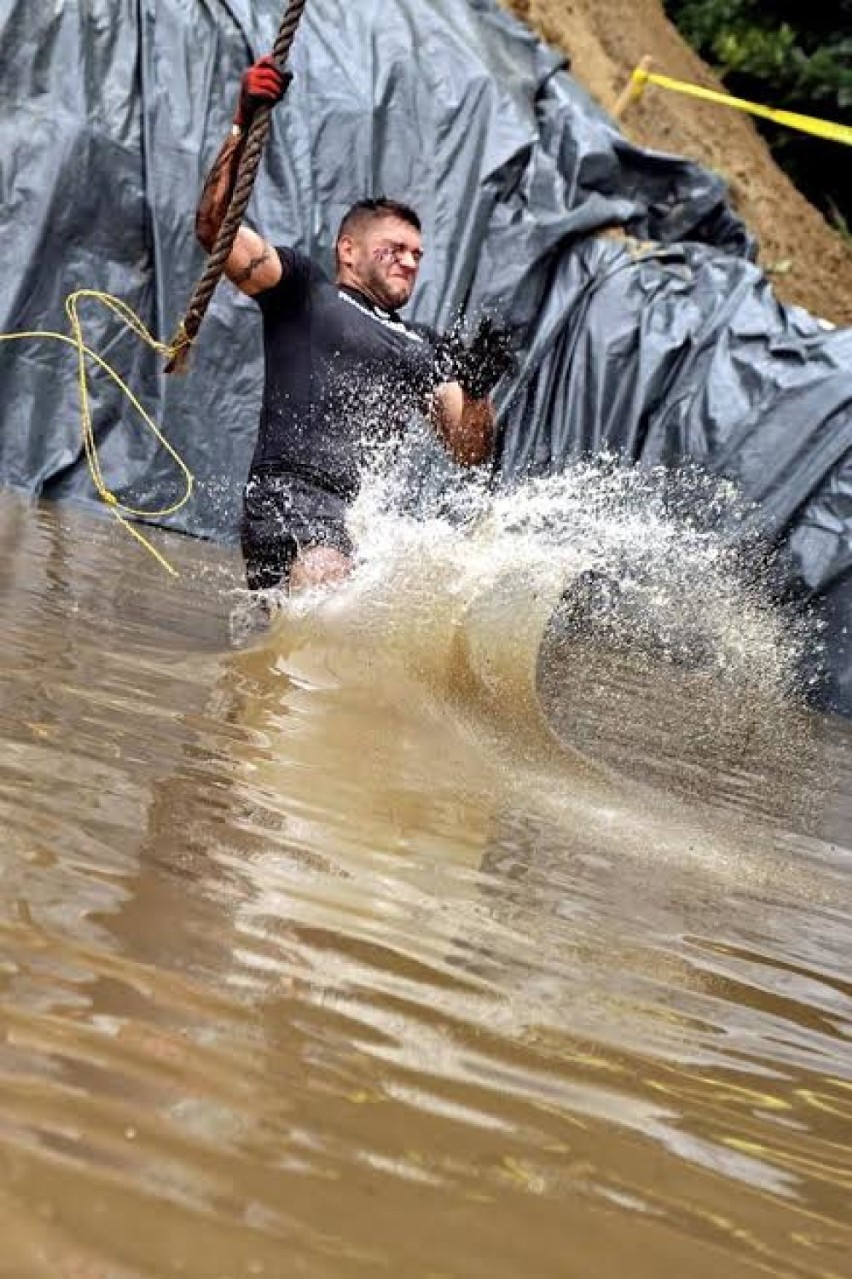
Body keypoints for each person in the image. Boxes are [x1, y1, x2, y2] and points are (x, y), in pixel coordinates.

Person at [196, 55, 514, 594]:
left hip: (352, 521)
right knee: (327, 581)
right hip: (287, 496)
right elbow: (215, 227)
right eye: (396, 248)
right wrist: (243, 117)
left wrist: (480, 390)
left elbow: (469, 451)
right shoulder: (305, 289)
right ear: (349, 249)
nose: (411, 261)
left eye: (418, 254)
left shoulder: (424, 346)